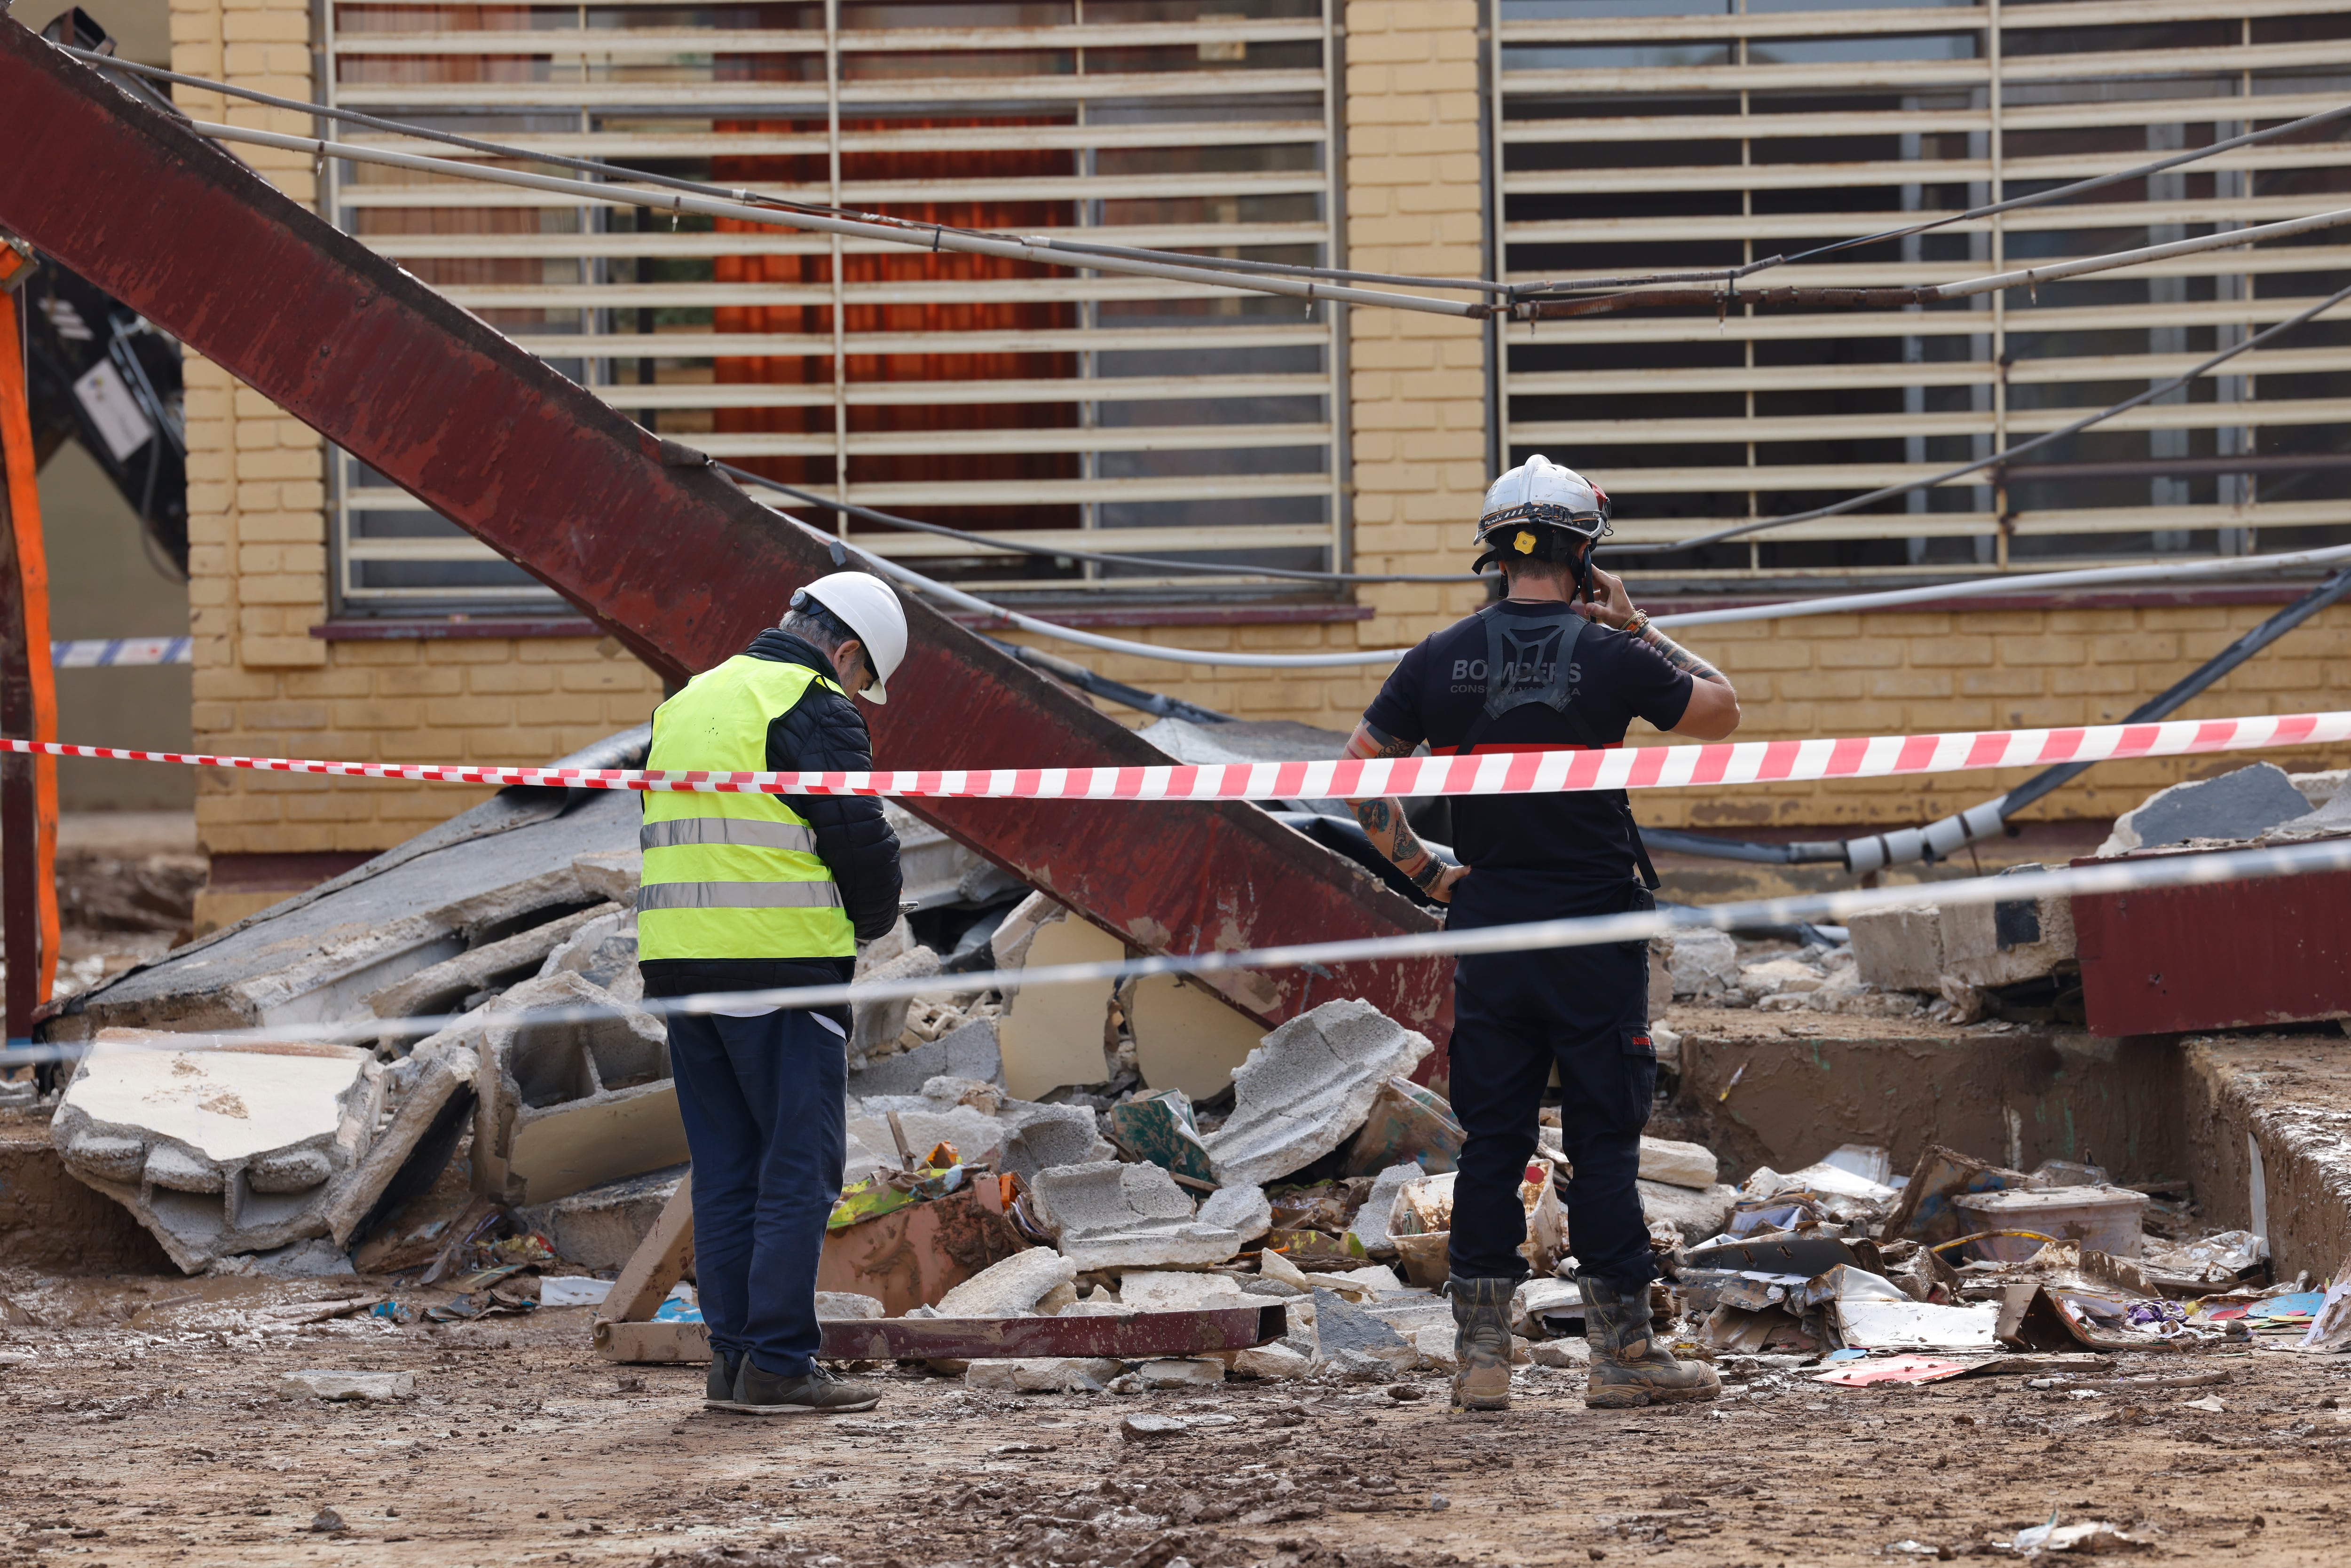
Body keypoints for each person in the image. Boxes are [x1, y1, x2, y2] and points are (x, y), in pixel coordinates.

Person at [1341, 455, 1742, 1413]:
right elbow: (1722, 711)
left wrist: (1429, 873)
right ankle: (1623, 1356)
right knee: (1603, 1144)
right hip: (1593, 931)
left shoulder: (1437, 658)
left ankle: (1481, 1360)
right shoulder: (1613, 654)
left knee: (1491, 1141)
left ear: (1493, 557)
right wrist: (1636, 619)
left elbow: (1361, 778)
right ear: (1584, 556)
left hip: (1488, 926)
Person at [635, 571, 908, 1416]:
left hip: (682, 971)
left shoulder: (689, 701)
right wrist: (869, 924)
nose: (857, 694)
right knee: (797, 1168)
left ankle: (736, 1363)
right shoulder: (814, 704)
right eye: (863, 679)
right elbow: (858, 843)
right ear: (848, 652)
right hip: (781, 970)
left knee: (727, 1169)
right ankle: (783, 1365)